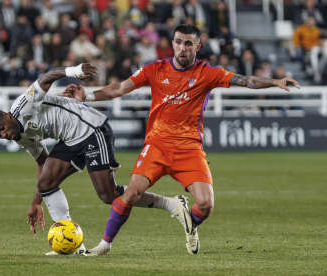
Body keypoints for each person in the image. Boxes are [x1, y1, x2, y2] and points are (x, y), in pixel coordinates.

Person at [63, 24, 300, 256]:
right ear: (173, 44)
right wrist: (88, 95)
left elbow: (244, 80)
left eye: (188, 43)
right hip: (156, 145)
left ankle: (191, 224)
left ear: (198, 46)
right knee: (132, 192)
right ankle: (104, 245)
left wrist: (275, 82)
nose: (182, 48)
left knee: (206, 206)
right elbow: (119, 89)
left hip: (189, 149)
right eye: (178, 42)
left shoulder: (207, 73)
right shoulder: (155, 69)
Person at [0, 63, 190, 255]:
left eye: (1, 128)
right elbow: (43, 163)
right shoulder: (20, 138)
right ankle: (73, 245)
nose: (3, 135)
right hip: (69, 140)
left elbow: (46, 77)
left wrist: (74, 70)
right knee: (46, 183)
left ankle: (172, 204)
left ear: (6, 116)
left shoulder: (24, 104)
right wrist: (37, 202)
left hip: (91, 129)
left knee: (108, 195)